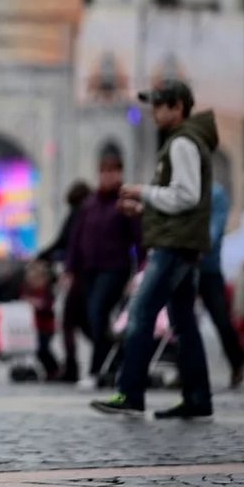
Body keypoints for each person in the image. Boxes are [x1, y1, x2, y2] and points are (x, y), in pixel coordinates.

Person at [92, 80, 218, 419]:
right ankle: (198, 397)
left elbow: (186, 196)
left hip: (173, 246)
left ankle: (130, 392)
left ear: (178, 107)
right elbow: (182, 200)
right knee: (183, 322)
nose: (155, 111)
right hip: (182, 242)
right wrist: (145, 209)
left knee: (141, 312)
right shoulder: (185, 142)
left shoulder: (182, 144)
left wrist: (142, 192)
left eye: (160, 105)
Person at [64, 150, 144, 387]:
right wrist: (71, 268)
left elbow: (139, 239)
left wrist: (139, 270)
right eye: (104, 171)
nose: (108, 176)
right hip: (89, 269)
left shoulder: (124, 203)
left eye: (113, 171)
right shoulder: (89, 205)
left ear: (120, 173)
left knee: (98, 311)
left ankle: (97, 368)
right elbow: (76, 239)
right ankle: (112, 357)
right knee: (89, 317)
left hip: (114, 269)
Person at [39, 181, 92, 382]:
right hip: (88, 273)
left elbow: (65, 241)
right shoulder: (90, 211)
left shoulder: (78, 213)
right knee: (85, 322)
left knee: (70, 322)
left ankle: (72, 367)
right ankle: (107, 358)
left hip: (77, 274)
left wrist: (42, 255)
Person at [195, 182, 244, 387]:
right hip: (183, 264)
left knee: (221, 318)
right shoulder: (181, 188)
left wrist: (192, 246)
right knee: (180, 321)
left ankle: (237, 363)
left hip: (207, 268)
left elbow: (214, 232)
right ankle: (187, 370)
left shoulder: (215, 194)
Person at [22, 259, 59, 379]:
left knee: (43, 349)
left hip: (46, 326)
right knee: (38, 350)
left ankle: (54, 369)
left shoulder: (47, 291)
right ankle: (49, 370)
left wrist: (36, 304)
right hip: (33, 327)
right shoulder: (27, 290)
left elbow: (48, 306)